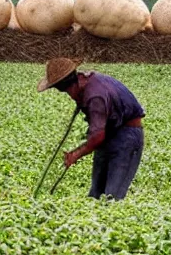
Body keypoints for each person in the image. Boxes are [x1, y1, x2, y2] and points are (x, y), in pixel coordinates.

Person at [37, 57, 145, 200]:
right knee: (95, 194)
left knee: (112, 196)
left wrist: (75, 154)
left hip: (126, 136)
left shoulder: (95, 96)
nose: (70, 97)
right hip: (109, 132)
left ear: (67, 87)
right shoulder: (85, 82)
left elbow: (97, 137)